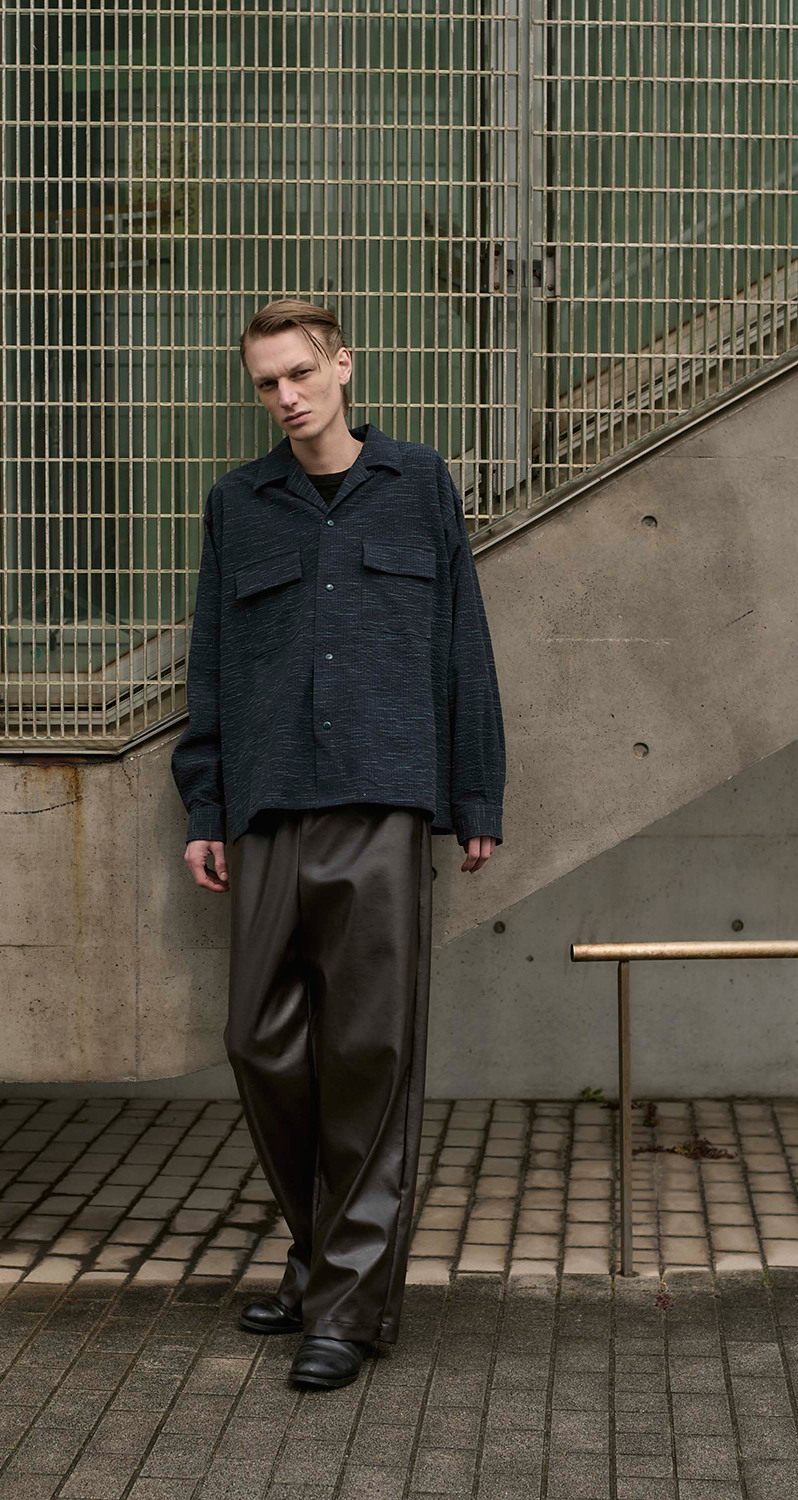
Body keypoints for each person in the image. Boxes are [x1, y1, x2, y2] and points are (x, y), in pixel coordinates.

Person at [170, 298, 505, 1391]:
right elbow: (213, 663)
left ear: (344, 366)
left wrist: (475, 795)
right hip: (268, 802)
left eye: (302, 373)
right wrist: (206, 806)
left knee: (370, 1055)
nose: (286, 396)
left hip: (383, 797)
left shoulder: (418, 484)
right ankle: (323, 1260)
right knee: (258, 1041)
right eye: (267, 382)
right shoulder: (240, 503)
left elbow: (461, 643)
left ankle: (349, 1309)